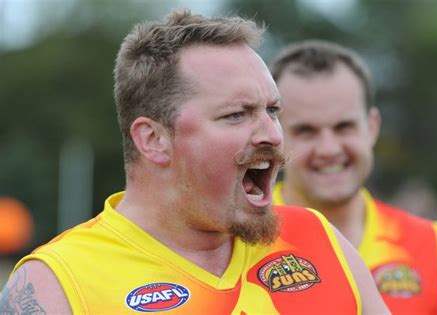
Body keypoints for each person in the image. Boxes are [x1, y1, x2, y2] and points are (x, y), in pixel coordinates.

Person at [0, 11, 389, 314]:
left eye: (272, 110)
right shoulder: (59, 282)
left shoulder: (319, 239)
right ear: (153, 139)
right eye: (236, 114)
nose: (271, 133)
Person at [270, 40, 437, 315]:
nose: (329, 149)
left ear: (372, 127)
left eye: (344, 127)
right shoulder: (232, 242)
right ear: (275, 135)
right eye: (306, 131)